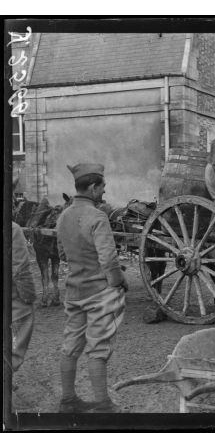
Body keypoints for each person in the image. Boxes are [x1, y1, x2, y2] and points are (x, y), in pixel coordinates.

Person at [56, 163, 128, 413]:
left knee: (71, 345)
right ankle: (103, 404)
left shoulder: (63, 216)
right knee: (98, 347)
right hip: (100, 293)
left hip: (74, 291)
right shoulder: (98, 217)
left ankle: (68, 400)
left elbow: (62, 254)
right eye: (103, 187)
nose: (104, 192)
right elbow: (109, 260)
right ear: (93, 187)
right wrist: (118, 282)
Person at [11, 221, 36, 372]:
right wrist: (28, 296)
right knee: (23, 320)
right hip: (11, 295)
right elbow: (20, 268)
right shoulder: (12, 228)